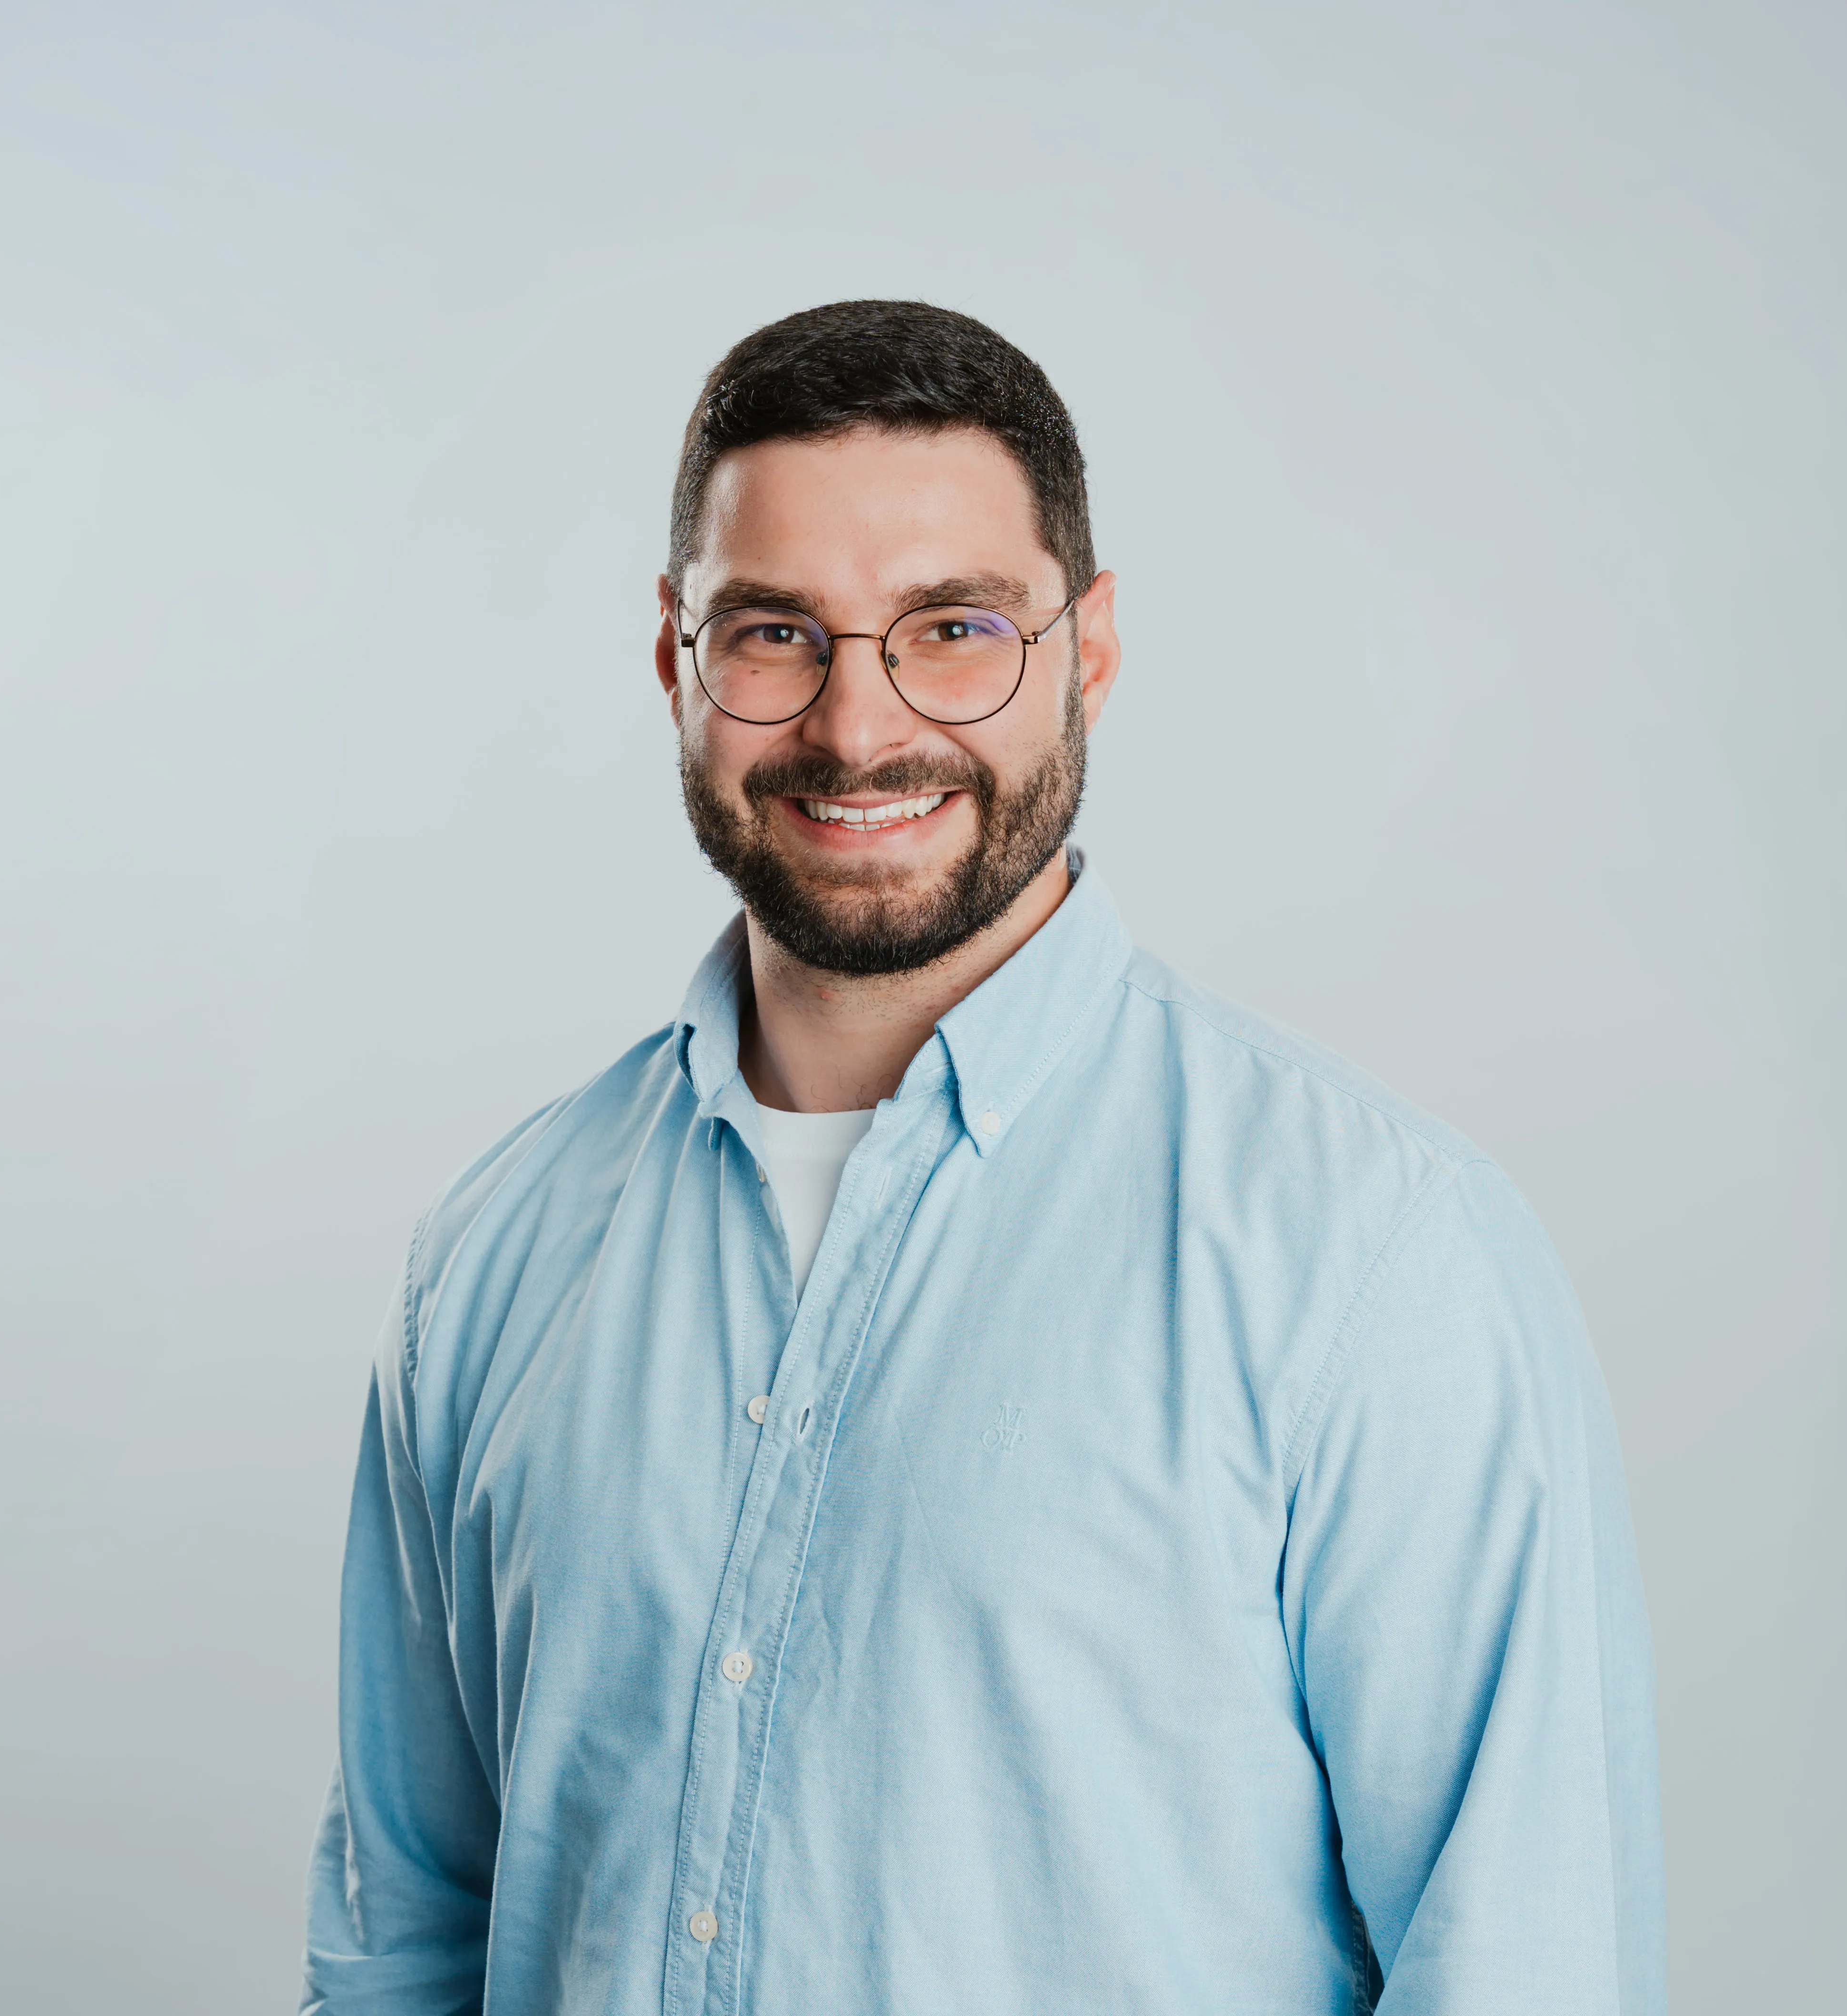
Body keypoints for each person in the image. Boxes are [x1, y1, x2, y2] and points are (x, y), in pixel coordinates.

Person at [301, 300, 1664, 2016]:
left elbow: (1524, 1967)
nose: (858, 730)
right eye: (775, 631)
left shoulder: (1371, 1256)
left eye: (953, 627)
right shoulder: (488, 1265)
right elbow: (402, 1949)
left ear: (1087, 646)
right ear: (675, 660)